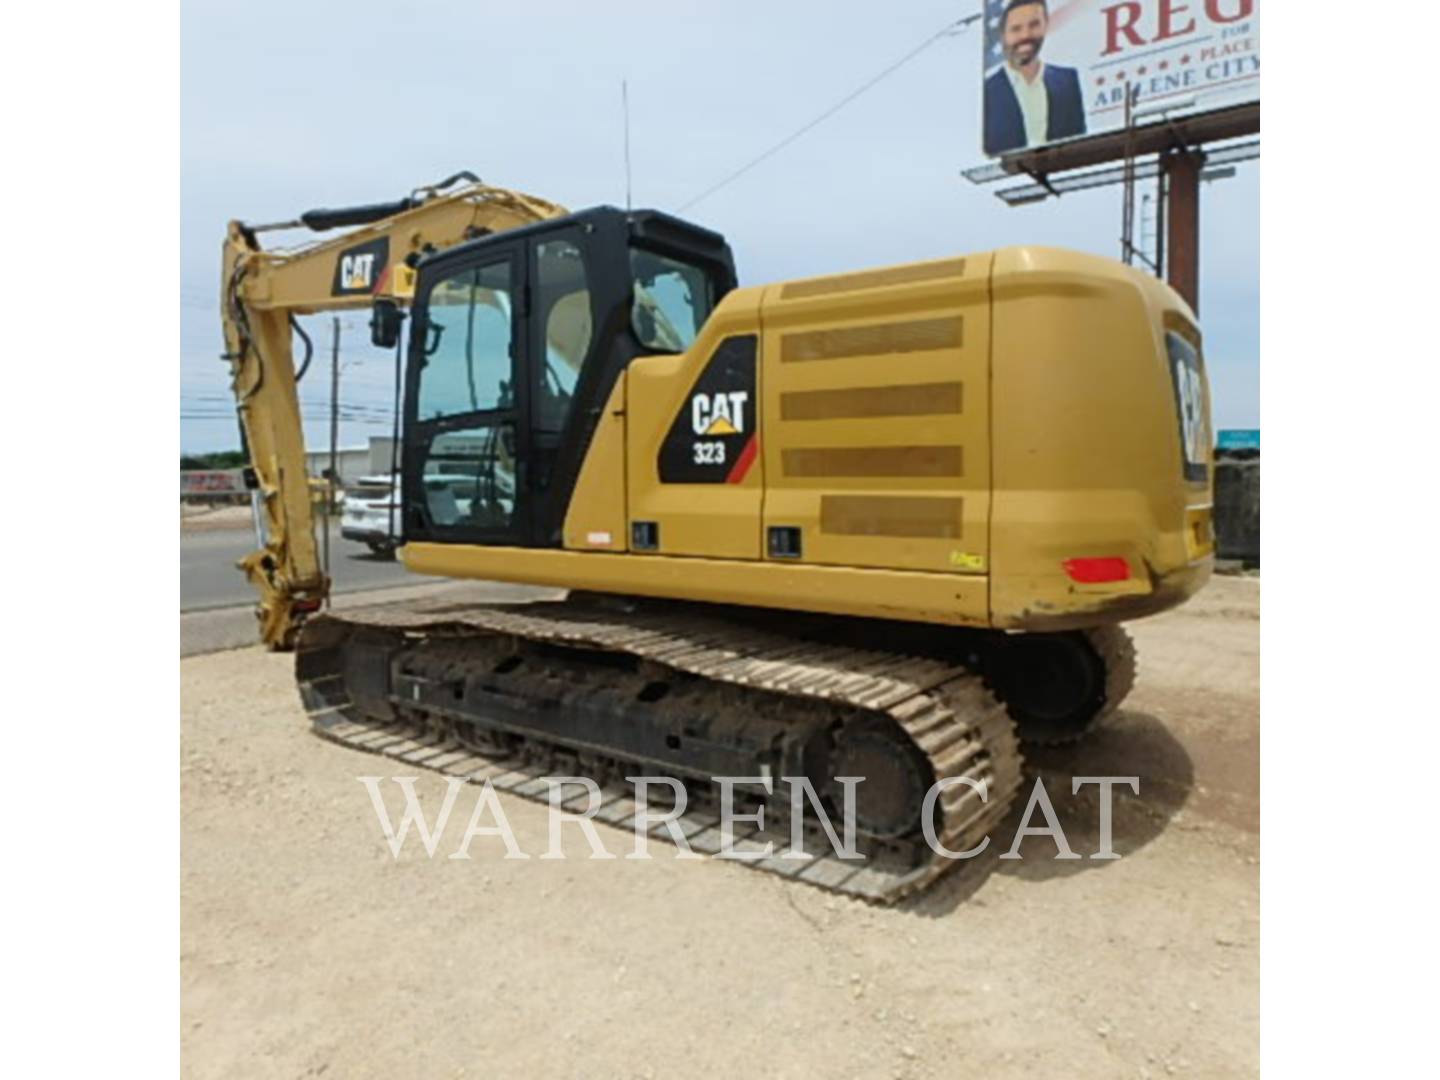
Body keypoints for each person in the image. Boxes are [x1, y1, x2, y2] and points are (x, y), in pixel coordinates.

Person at [983, 0, 1087, 155]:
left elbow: (1077, 141)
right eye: (1016, 29)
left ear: (1045, 26)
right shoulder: (987, 91)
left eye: (1034, 25)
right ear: (1003, 35)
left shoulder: (1067, 81)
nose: (1026, 35)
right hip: (1014, 177)